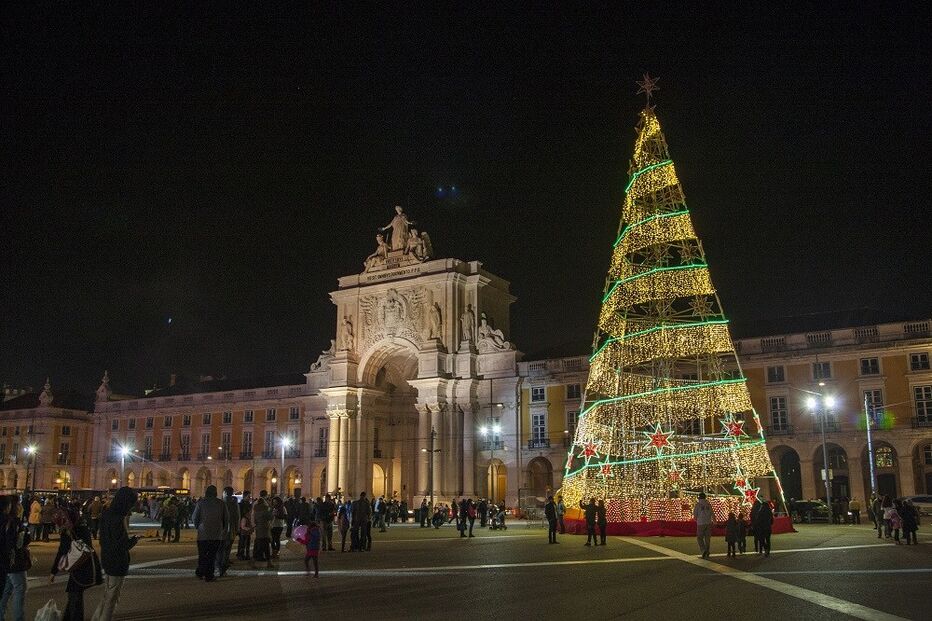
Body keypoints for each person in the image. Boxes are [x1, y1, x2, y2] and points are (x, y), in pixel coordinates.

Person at [93, 486, 139, 621]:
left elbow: (103, 539)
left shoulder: (107, 514)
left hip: (106, 557)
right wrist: (134, 540)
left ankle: (97, 618)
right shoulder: (119, 519)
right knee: (112, 597)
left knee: (107, 593)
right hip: (118, 561)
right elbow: (122, 544)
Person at [50, 507, 102, 621]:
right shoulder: (82, 526)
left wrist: (53, 572)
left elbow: (62, 551)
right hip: (89, 564)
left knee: (74, 595)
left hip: (80, 567)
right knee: (74, 594)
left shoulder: (69, 532)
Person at [192, 485, 228, 582]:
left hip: (203, 534)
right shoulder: (221, 503)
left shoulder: (201, 503)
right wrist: (223, 529)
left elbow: (194, 517)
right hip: (216, 534)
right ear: (216, 493)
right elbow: (226, 518)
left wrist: (198, 526)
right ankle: (209, 575)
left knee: (202, 554)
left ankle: (200, 572)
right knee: (212, 556)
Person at [0, 497, 25, 621]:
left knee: (6, 589)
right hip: (12, 560)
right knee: (19, 588)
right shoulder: (12, 522)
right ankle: (18, 618)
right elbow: (18, 543)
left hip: (5, 561)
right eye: (19, 504)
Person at [217, 487, 239, 577]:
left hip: (222, 531)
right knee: (227, 551)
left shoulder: (221, 503)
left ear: (225, 492)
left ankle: (220, 567)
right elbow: (237, 517)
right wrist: (236, 529)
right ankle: (224, 569)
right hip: (232, 530)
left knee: (220, 550)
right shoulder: (235, 503)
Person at [251, 497, 273, 569]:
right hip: (265, 530)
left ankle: (253, 562)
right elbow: (271, 517)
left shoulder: (255, 511)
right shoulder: (265, 510)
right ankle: (269, 563)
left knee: (257, 547)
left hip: (258, 530)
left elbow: (253, 521)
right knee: (266, 547)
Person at [693, 492, 713, 559]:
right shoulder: (708, 505)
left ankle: (703, 550)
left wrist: (696, 519)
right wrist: (714, 521)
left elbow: (695, 514)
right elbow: (712, 513)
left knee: (699, 538)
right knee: (707, 538)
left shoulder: (698, 505)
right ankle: (707, 551)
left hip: (701, 523)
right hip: (708, 522)